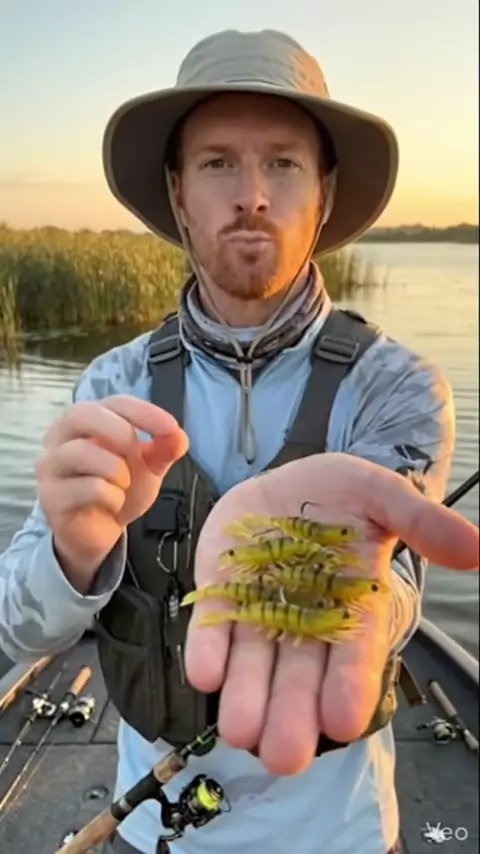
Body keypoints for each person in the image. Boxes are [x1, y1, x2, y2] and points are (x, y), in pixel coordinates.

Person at [0, 28, 478, 854]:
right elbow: (15, 630)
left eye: (283, 163)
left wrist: (365, 596)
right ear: (179, 193)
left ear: (324, 192)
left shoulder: (397, 384)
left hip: (341, 833)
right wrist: (73, 554)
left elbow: (397, 591)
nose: (252, 195)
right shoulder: (112, 385)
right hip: (148, 826)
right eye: (218, 162)